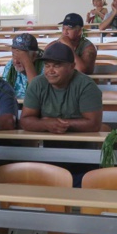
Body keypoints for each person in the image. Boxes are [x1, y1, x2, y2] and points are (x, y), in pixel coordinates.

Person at [19, 42, 102, 186]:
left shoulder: (86, 85)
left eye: (56, 66)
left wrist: (58, 123)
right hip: (47, 153)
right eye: (47, 65)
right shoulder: (37, 84)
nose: (50, 71)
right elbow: (25, 120)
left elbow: (93, 124)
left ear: (71, 66)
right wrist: (46, 123)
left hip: (84, 154)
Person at [2, 33, 45, 99]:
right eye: (14, 55)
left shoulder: (44, 66)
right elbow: (3, 92)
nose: (16, 61)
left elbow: (37, 93)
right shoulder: (10, 65)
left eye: (21, 57)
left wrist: (27, 63)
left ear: (34, 56)